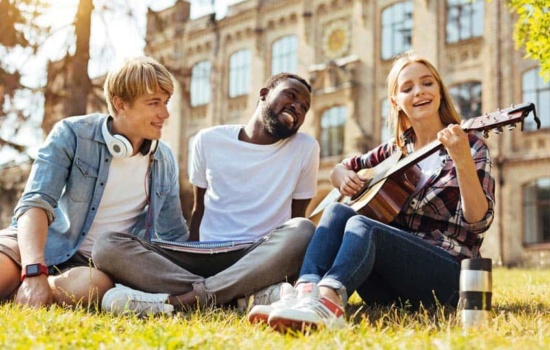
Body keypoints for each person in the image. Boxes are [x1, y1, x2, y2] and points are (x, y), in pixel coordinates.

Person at [249, 51, 496, 331]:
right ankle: (305, 293)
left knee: (363, 225)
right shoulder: (397, 150)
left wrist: (462, 160)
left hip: (448, 278)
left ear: (439, 90)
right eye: (407, 88)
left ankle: (329, 301)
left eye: (427, 83)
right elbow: (344, 166)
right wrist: (341, 175)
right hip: (391, 285)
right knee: (338, 210)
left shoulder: (471, 145)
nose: (419, 92)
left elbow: (478, 222)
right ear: (396, 101)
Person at [93, 72, 320, 315]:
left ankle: (183, 301)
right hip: (202, 255)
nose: (297, 107)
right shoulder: (208, 140)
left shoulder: (305, 148)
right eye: (291, 96)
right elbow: (197, 210)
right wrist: (187, 252)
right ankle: (237, 296)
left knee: (304, 229)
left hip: (255, 256)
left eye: (304, 108)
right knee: (106, 246)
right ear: (264, 94)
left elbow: (297, 218)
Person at [0, 56, 188, 308]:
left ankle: (24, 292)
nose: (164, 113)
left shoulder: (164, 160)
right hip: (36, 245)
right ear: (121, 104)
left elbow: (173, 235)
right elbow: (35, 203)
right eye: (154, 103)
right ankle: (27, 284)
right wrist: (34, 271)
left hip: (88, 267)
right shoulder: (72, 134)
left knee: (94, 288)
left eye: (166, 102)